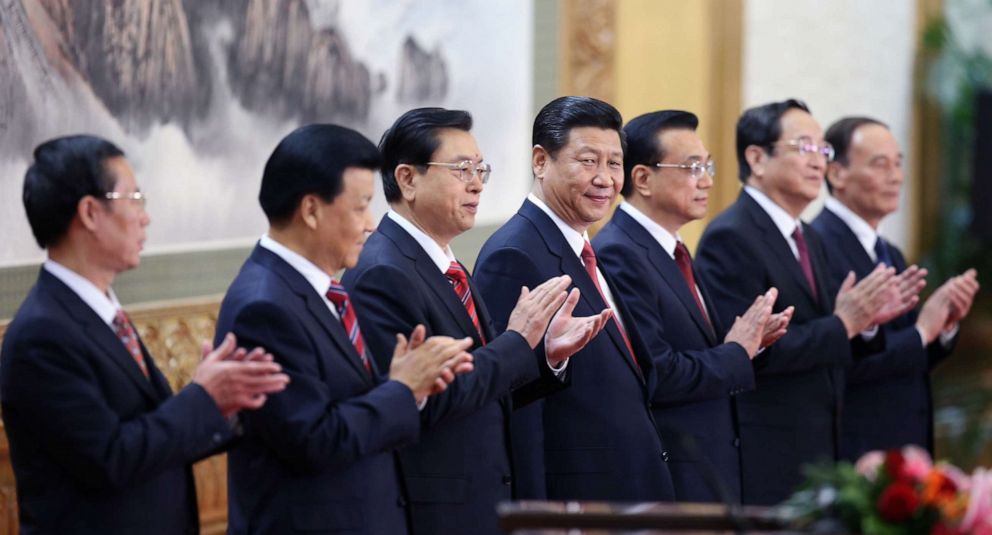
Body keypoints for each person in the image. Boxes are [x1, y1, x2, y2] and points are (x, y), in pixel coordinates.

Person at [0, 134, 289, 534]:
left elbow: (151, 435)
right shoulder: (41, 334)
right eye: (134, 199)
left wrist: (221, 404)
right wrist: (202, 398)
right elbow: (109, 458)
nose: (145, 216)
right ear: (89, 213)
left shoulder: (101, 312)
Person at [343, 108, 608, 534]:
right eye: (461, 169)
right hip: (434, 510)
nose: (477, 183)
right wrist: (519, 342)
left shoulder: (445, 263)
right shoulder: (382, 273)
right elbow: (428, 400)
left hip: (482, 499)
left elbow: (487, 387)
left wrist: (546, 357)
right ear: (408, 179)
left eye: (480, 168)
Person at [214, 124, 477, 534]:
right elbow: (316, 439)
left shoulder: (315, 289)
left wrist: (403, 383)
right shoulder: (264, 306)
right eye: (360, 207)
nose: (371, 224)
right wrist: (403, 388)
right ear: (311, 210)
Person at [694, 99, 921, 505]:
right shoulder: (730, 236)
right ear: (757, 158)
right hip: (767, 449)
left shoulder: (808, 237)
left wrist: (866, 323)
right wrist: (845, 324)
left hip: (821, 445)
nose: (818, 162)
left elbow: (831, 337)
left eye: (824, 150)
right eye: (804, 148)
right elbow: (751, 355)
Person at [474, 96, 677, 501]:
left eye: (614, 163)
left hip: (627, 491)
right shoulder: (513, 254)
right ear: (540, 161)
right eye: (588, 161)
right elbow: (514, 400)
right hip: (574, 501)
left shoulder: (583, 247)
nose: (604, 178)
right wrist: (535, 516)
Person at [593, 109, 793, 503]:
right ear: (643, 179)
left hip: (711, 464)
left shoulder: (674, 248)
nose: (706, 181)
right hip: (671, 474)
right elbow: (660, 373)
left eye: (708, 166)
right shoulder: (619, 252)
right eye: (692, 167)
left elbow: (702, 352)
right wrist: (737, 351)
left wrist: (752, 344)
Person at [811, 116, 980, 459]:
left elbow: (908, 357)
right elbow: (840, 363)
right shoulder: (818, 246)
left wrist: (941, 328)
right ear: (836, 173)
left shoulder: (889, 251)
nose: (896, 177)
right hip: (858, 450)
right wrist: (921, 331)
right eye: (880, 164)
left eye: (899, 164)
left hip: (904, 444)